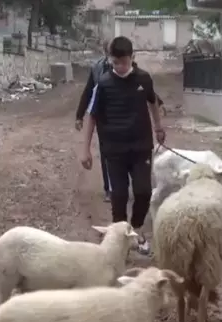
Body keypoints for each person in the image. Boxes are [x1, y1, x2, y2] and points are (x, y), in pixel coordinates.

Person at [81, 36, 166, 254]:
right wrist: (86, 149)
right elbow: (92, 116)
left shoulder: (144, 79)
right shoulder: (103, 83)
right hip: (114, 150)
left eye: (124, 62)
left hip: (140, 147)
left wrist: (158, 127)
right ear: (110, 60)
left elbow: (153, 102)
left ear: (132, 58)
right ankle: (119, 242)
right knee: (118, 196)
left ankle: (136, 231)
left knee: (144, 191)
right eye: (115, 62)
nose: (120, 67)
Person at [75, 39, 113, 202]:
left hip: (124, 116)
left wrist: (158, 102)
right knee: (106, 153)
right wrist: (79, 115)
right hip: (103, 117)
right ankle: (109, 189)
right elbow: (88, 91)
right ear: (105, 52)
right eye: (110, 52)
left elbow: (144, 85)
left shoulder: (128, 66)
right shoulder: (98, 68)